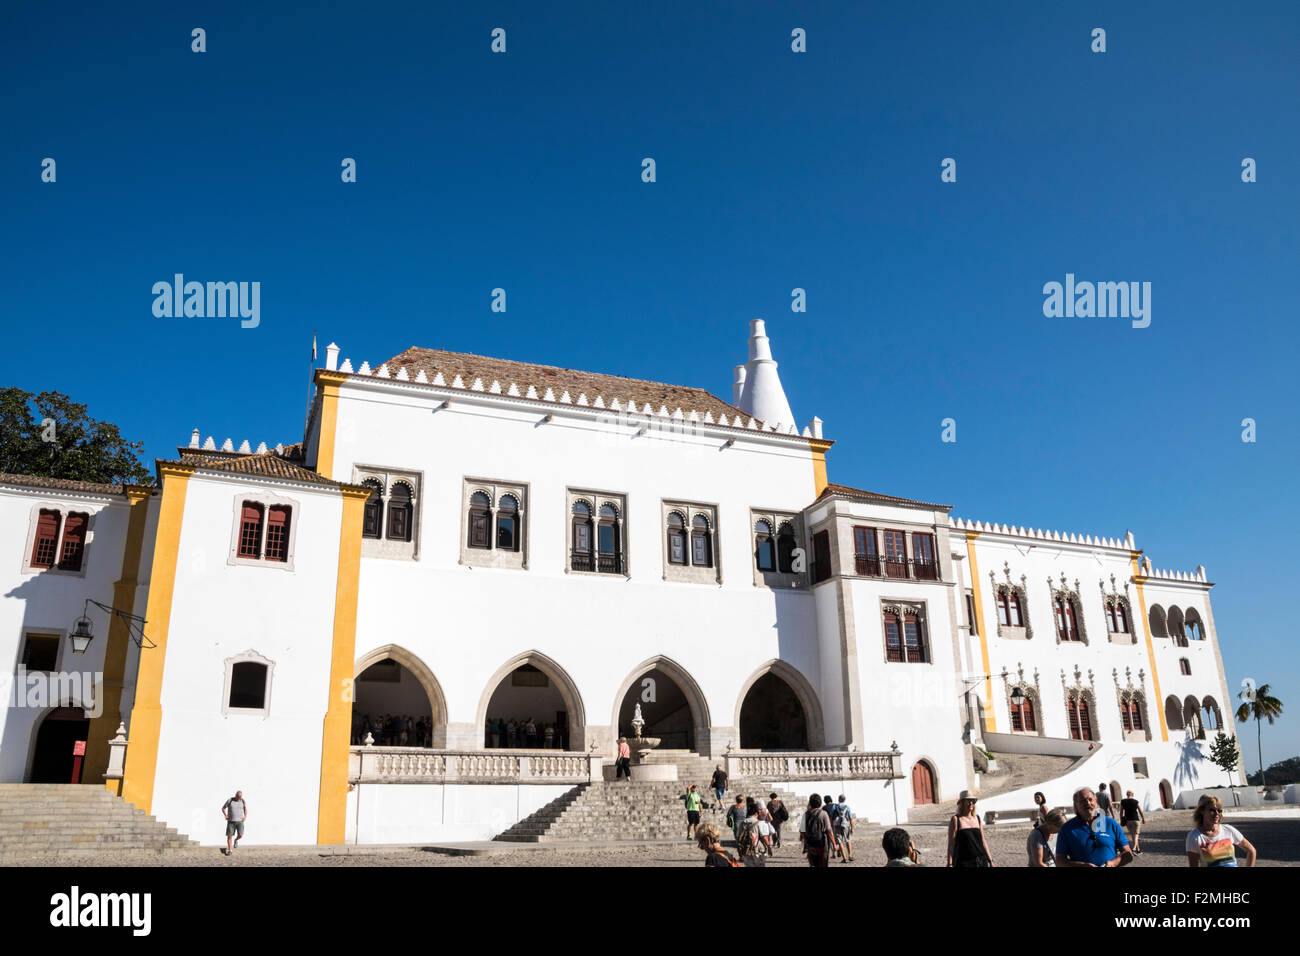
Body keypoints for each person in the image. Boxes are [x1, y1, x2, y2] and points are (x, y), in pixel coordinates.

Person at [1056, 787, 1132, 868]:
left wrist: (1113, 863)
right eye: (1082, 801)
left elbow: (1128, 854)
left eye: (1090, 799)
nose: (1088, 803)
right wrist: (1080, 866)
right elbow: (1059, 861)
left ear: (1096, 802)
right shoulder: (1066, 829)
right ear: (1075, 805)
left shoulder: (1111, 823)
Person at [1186, 794, 1256, 868]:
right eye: (1212, 810)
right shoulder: (1194, 837)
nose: (1217, 813)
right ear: (1202, 811)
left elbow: (1251, 850)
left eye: (1219, 810)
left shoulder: (1229, 830)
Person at [947, 790, 994, 867]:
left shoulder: (977, 818)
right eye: (968, 801)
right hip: (964, 862)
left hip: (981, 861)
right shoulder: (956, 820)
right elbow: (951, 844)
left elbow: (983, 840)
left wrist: (990, 860)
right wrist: (950, 863)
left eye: (973, 801)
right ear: (962, 803)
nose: (971, 803)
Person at [800, 793, 837, 867]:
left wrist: (806, 842)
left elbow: (802, 831)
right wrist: (834, 844)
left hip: (811, 844)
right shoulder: (823, 814)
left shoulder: (805, 814)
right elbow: (829, 830)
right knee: (822, 864)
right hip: (822, 843)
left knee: (813, 864)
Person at [737, 797, 773, 867]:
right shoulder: (758, 823)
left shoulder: (743, 822)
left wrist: (739, 851)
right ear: (756, 813)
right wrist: (769, 848)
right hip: (757, 850)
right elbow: (763, 837)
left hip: (746, 850)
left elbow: (739, 837)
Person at [221, 790, 247, 856]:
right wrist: (225, 815)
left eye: (240, 796)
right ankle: (230, 850)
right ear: (235, 795)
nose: (239, 798)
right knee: (229, 836)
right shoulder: (230, 800)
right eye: (238, 796)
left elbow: (245, 809)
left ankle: (236, 840)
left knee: (240, 835)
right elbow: (223, 808)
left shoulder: (243, 801)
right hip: (231, 821)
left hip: (240, 821)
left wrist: (245, 816)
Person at [833, 793, 855, 863]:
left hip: (837, 825)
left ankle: (844, 858)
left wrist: (832, 824)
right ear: (844, 800)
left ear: (838, 799)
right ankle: (850, 856)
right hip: (846, 825)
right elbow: (851, 818)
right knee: (848, 840)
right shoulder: (847, 807)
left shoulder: (835, 807)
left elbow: (831, 816)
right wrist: (852, 828)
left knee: (840, 841)